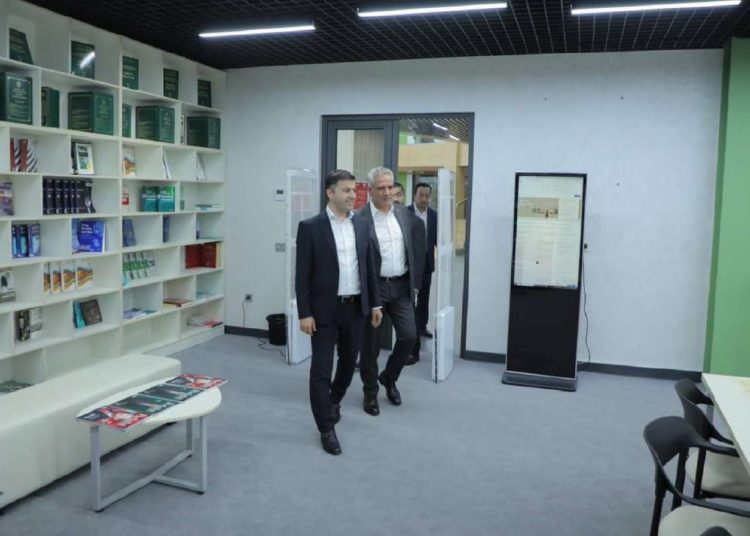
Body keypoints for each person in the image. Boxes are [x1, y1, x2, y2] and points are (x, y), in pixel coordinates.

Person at [295, 169, 382, 455]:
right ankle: (325, 427)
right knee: (321, 370)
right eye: (346, 190)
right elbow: (302, 276)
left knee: (347, 365)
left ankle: (333, 400)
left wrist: (375, 303)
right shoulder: (310, 227)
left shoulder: (362, 225)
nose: (352, 195)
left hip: (355, 308)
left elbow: (369, 268)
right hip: (323, 311)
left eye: (354, 190)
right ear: (330, 193)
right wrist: (304, 313)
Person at [357, 166, 425, 416]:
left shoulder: (404, 215)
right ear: (370, 190)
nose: (387, 192)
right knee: (371, 346)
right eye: (381, 188)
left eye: (390, 187)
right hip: (374, 288)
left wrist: (415, 283)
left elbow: (415, 248)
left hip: (401, 287)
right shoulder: (360, 219)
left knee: (408, 337)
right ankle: (370, 392)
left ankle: (389, 377)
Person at [406, 182, 438, 365]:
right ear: (414, 195)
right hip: (410, 264)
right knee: (411, 300)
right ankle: (412, 334)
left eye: (427, 195)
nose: (424, 199)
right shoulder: (406, 213)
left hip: (426, 263)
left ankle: (422, 326)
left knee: (424, 298)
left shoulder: (433, 215)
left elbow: (437, 239)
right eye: (421, 195)